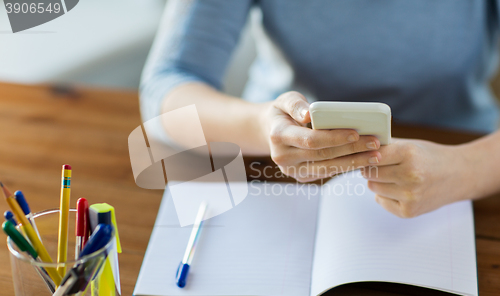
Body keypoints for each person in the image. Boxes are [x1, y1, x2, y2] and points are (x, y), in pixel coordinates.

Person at [140, 0, 500, 218]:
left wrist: (466, 170)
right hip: (274, 170)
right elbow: (168, 86)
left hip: (466, 162)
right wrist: (263, 125)